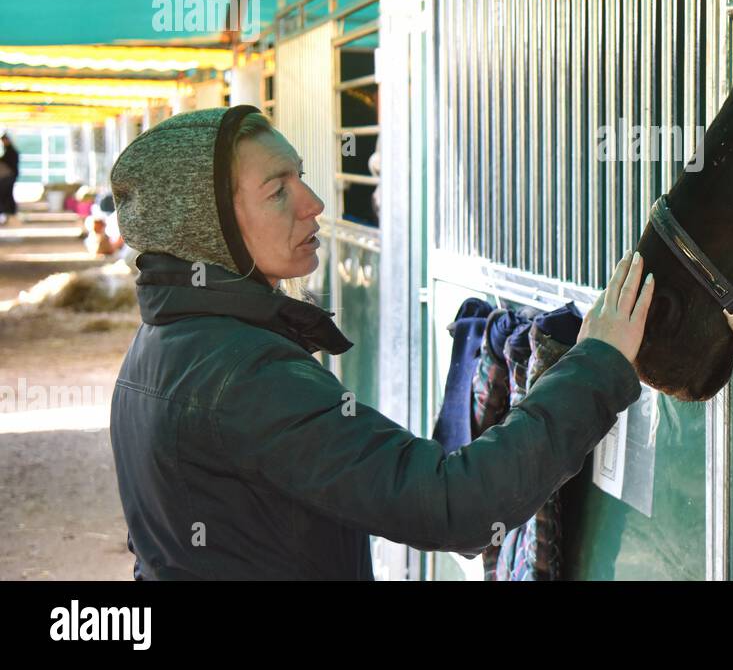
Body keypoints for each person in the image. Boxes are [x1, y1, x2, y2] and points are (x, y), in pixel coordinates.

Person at [108, 104, 653, 579]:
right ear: (208, 228)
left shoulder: (158, 345)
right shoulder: (245, 374)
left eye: (300, 177)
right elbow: (454, 505)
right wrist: (597, 364)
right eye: (278, 191)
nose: (314, 203)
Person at [0, 132, 19, 225]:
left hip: (9, 177)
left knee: (6, 195)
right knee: (7, 195)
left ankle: (10, 213)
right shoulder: (9, 150)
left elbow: (9, 163)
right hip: (9, 177)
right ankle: (9, 213)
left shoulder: (11, 151)